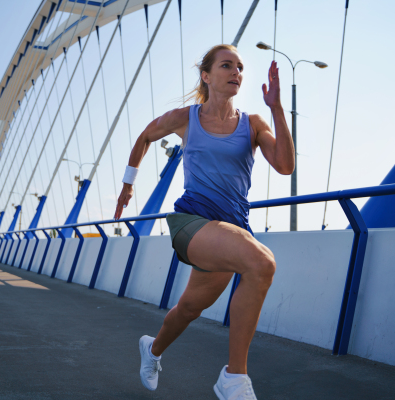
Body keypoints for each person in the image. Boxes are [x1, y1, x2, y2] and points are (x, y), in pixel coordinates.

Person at [113, 44, 294, 399]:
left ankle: (151, 350)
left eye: (240, 67)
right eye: (227, 66)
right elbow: (145, 137)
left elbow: (286, 165)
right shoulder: (186, 118)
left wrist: (276, 109)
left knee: (190, 309)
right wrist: (127, 186)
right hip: (190, 222)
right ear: (207, 76)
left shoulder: (253, 124)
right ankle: (234, 377)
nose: (236, 73)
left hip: (230, 231)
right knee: (261, 263)